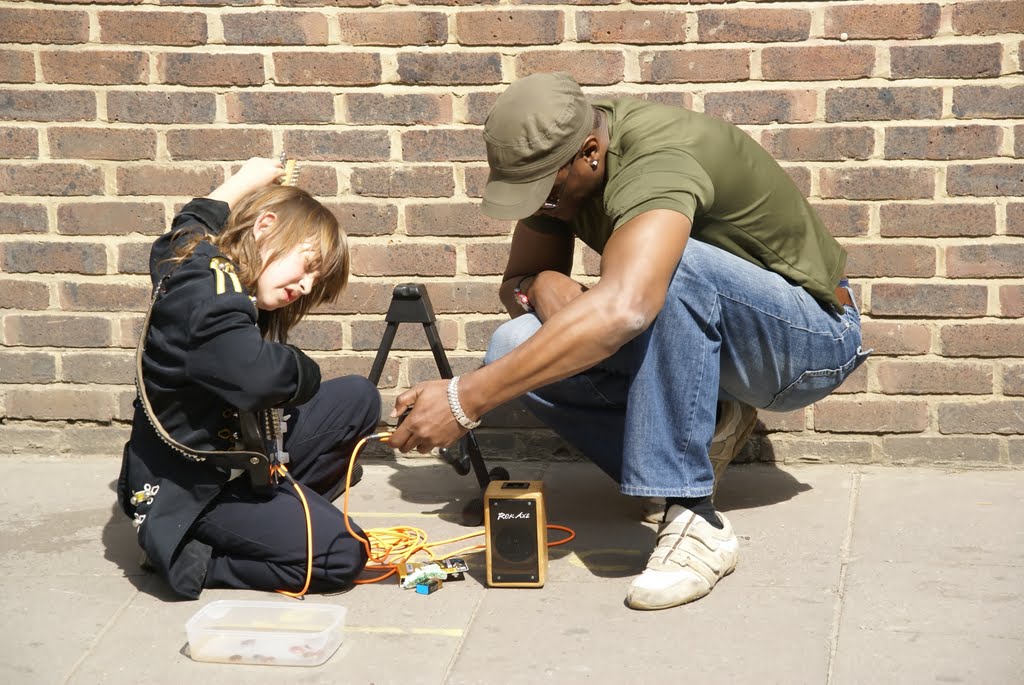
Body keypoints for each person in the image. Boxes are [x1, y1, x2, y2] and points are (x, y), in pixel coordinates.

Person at [387, 72, 870, 611]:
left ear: (591, 154)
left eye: (543, 191)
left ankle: (696, 519)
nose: (538, 205)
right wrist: (540, 284)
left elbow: (630, 305)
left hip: (809, 341)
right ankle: (705, 431)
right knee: (511, 347)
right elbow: (517, 282)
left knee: (670, 269)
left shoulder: (657, 163)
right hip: (716, 331)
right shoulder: (561, 164)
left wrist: (465, 399)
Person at [117, 158, 380, 599]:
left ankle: (277, 513)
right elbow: (255, 377)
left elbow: (192, 219)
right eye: (308, 265)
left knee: (359, 398)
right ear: (265, 226)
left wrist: (244, 180)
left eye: (317, 280)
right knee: (341, 553)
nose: (307, 286)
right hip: (192, 487)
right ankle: (193, 558)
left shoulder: (192, 253)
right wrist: (303, 368)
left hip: (237, 454)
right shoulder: (209, 286)